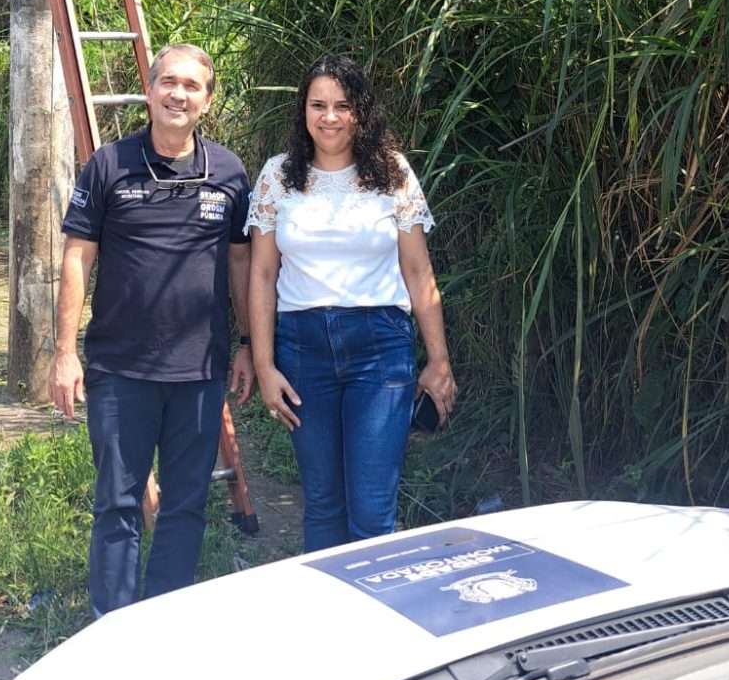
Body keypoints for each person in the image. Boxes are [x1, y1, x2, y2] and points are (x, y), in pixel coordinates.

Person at [51, 44, 254, 617]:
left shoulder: (230, 173)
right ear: (150, 90)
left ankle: (160, 623)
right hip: (121, 371)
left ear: (208, 100)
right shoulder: (109, 165)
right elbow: (77, 258)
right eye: (168, 82)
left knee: (187, 505)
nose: (178, 94)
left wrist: (245, 346)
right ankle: (110, 626)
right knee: (116, 503)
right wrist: (65, 353)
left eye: (191, 86)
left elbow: (242, 265)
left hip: (199, 370)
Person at [247, 53, 457, 553]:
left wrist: (438, 359)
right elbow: (262, 273)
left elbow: (417, 271)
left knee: (371, 507)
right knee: (322, 502)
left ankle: (378, 620)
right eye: (318, 104)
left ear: (360, 111)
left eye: (342, 105)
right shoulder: (278, 177)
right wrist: (263, 364)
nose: (330, 117)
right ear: (303, 111)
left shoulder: (392, 173)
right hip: (302, 351)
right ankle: (330, 623)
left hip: (380, 350)